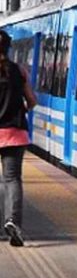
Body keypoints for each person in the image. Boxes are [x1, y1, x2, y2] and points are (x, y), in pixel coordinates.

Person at [0, 30, 37, 247]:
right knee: (12, 179)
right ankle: (12, 221)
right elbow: (32, 100)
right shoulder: (19, 71)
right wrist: (21, 109)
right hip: (14, 134)